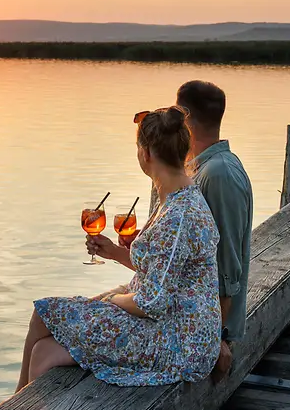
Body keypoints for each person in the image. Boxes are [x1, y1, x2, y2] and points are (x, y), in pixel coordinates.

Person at [15, 106, 222, 391]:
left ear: (146, 153)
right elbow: (165, 272)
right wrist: (114, 252)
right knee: (44, 352)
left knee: (45, 313)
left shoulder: (178, 215)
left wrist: (113, 300)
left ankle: (13, 407)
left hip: (178, 345)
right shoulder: (181, 197)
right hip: (180, 330)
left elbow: (151, 303)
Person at [160, 80, 253, 382]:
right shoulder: (197, 168)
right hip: (189, 314)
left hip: (206, 327)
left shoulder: (219, 174)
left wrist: (218, 336)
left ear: (184, 115)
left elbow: (226, 264)